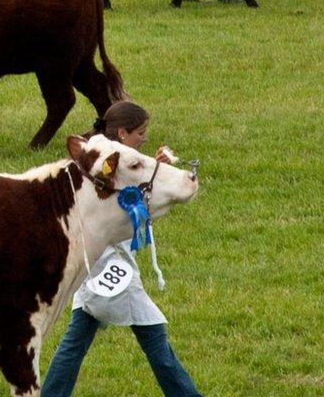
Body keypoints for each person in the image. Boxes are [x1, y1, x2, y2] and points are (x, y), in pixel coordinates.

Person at [37, 100, 203, 397]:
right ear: (123, 134)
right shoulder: (107, 169)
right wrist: (159, 172)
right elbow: (126, 211)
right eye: (141, 132)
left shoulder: (104, 161)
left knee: (76, 341)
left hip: (98, 266)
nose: (145, 137)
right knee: (154, 338)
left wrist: (154, 168)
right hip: (113, 265)